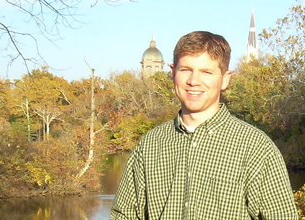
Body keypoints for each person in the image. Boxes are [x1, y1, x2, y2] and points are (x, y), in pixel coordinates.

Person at [110, 31, 298, 219]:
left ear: (225, 79)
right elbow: (124, 215)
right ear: (173, 72)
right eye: (186, 70)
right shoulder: (151, 145)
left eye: (206, 72)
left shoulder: (256, 148)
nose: (193, 81)